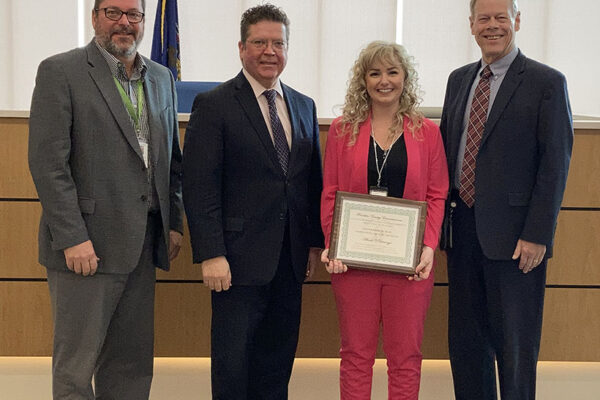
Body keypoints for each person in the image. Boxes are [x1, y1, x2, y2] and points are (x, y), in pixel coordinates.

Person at [28, 0, 184, 398]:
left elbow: (171, 160)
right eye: (114, 12)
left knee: (130, 368)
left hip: (143, 244)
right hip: (85, 248)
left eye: (134, 15)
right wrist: (71, 237)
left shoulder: (162, 78)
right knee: (75, 371)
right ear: (94, 17)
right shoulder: (60, 71)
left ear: (145, 22)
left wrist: (172, 222)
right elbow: (49, 165)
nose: (124, 23)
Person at [182, 3, 324, 399]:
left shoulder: (303, 105)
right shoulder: (214, 105)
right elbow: (199, 185)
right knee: (232, 367)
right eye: (259, 42)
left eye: (278, 43)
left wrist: (312, 242)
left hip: (290, 260)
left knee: (277, 365)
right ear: (241, 48)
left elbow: (310, 180)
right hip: (235, 262)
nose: (269, 51)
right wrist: (211, 253)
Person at [439, 0, 573, 399]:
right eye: (484, 18)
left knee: (515, 351)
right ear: (471, 25)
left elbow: (555, 163)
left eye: (501, 18)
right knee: (466, 347)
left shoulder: (546, 82)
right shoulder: (458, 79)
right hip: (461, 235)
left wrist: (538, 234)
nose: (492, 26)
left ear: (517, 21)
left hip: (517, 241)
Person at [320, 41, 449, 400]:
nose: (384, 81)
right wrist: (333, 243)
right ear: (363, 80)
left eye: (392, 72)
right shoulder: (344, 130)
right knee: (355, 356)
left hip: (410, 267)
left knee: (406, 358)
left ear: (405, 78)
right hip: (353, 265)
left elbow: (437, 193)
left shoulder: (427, 132)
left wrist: (428, 246)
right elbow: (330, 191)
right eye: (375, 73)